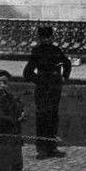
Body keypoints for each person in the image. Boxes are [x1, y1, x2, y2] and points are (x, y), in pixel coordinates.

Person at [23, 25, 72, 158]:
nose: (46, 40)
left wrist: (64, 77)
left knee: (53, 117)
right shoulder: (36, 51)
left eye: (48, 37)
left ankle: (52, 147)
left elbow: (67, 63)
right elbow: (27, 72)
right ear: (40, 38)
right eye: (44, 38)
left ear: (52, 38)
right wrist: (39, 80)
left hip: (55, 87)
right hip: (43, 89)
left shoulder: (56, 50)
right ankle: (42, 149)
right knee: (42, 118)